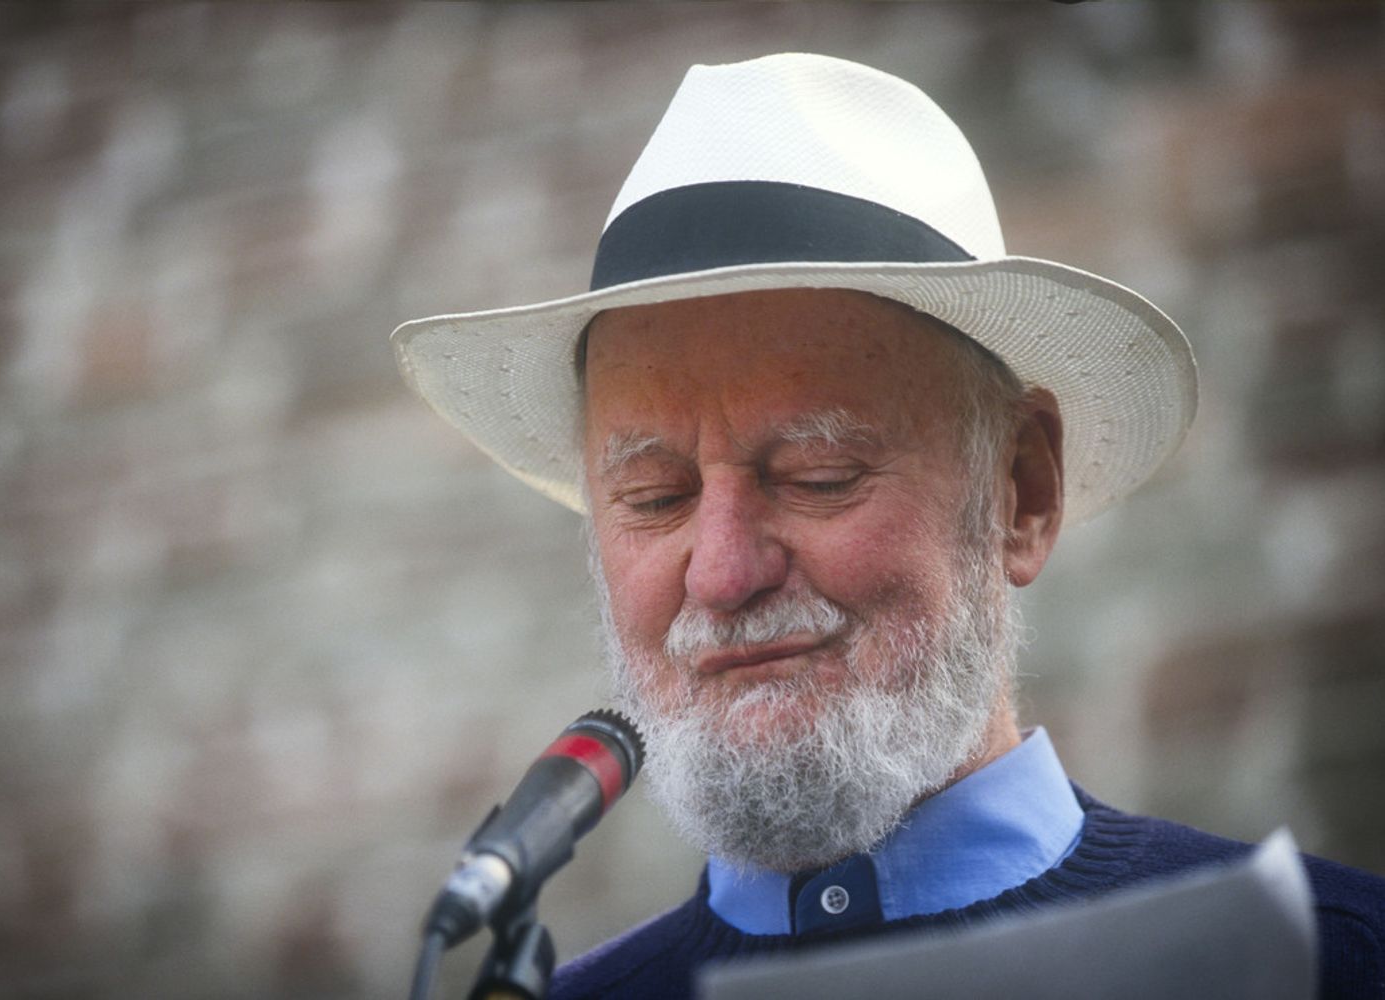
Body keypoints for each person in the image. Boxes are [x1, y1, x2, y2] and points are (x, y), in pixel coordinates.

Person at [393, 53, 1384, 999]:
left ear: (1021, 489)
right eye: (656, 496)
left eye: (819, 475)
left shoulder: (1337, 964)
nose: (723, 573)